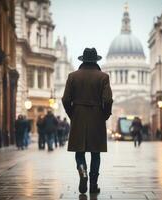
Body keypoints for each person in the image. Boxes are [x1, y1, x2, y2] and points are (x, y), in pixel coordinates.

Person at [62, 48, 113, 194]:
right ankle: (93, 184)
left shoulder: (72, 76)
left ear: (82, 60)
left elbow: (65, 99)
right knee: (96, 153)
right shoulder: (103, 77)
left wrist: (72, 113)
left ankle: (83, 173)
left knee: (79, 151)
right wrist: (105, 114)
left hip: (78, 116)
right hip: (97, 117)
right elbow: (108, 99)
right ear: (96, 60)